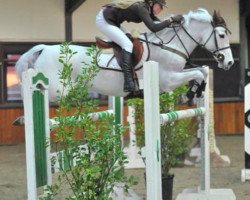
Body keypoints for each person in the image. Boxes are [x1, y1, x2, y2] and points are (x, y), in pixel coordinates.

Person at [96, 0, 183, 92]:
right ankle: (128, 82)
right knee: (128, 44)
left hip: (113, 21)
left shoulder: (146, 9)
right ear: (152, 3)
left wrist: (173, 23)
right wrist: (171, 20)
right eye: (160, 6)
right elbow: (153, 28)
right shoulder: (141, 8)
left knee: (130, 39)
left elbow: (159, 23)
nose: (161, 10)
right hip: (104, 20)